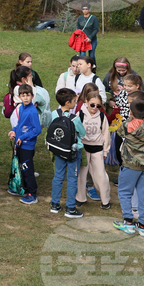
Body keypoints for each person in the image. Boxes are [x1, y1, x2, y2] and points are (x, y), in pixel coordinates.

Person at [113, 99, 144, 238]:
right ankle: (143, 226)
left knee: (125, 192)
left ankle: (128, 222)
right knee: (143, 194)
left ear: (131, 112)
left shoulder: (127, 125)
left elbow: (119, 133)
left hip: (130, 166)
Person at [47, 88, 86, 218]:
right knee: (72, 179)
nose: (76, 103)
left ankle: (55, 204)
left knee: (58, 176)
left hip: (58, 150)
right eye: (75, 101)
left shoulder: (54, 114)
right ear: (68, 103)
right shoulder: (75, 119)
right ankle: (70, 208)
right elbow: (83, 133)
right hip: (73, 153)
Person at [75, 90, 112, 210]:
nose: (95, 108)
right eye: (92, 105)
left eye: (98, 106)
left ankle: (105, 200)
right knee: (81, 174)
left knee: (101, 175)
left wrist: (106, 151)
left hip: (98, 148)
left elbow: (106, 134)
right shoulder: (79, 114)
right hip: (83, 148)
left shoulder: (102, 116)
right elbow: (75, 132)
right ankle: (80, 198)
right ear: (86, 102)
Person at [8, 84, 41, 205]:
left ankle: (32, 194)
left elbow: (37, 130)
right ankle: (21, 188)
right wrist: (13, 131)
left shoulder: (32, 111)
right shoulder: (21, 108)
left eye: (28, 95)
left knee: (27, 169)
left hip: (27, 146)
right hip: (20, 144)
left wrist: (22, 137)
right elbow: (20, 125)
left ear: (32, 96)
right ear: (19, 97)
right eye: (23, 95)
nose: (26, 98)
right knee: (21, 167)